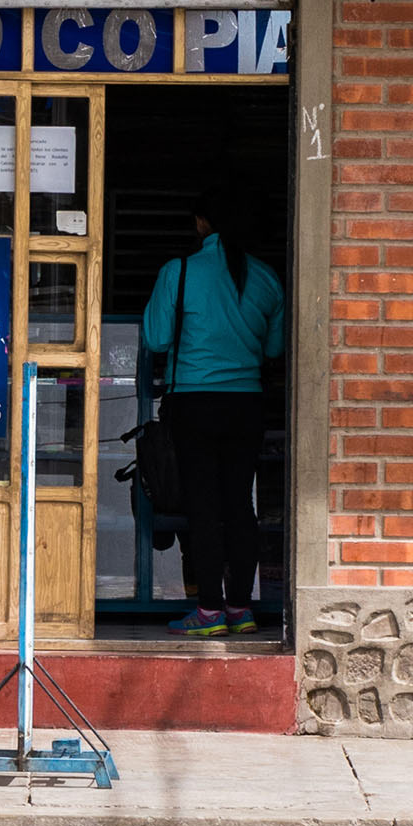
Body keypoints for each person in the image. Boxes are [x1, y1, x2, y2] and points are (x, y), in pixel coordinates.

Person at [140, 199, 285, 637]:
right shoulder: (266, 277)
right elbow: (274, 349)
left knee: (203, 506)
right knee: (240, 505)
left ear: (202, 223)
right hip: (247, 404)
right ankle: (240, 608)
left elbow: (156, 338)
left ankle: (208, 612)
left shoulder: (179, 272)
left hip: (194, 403)